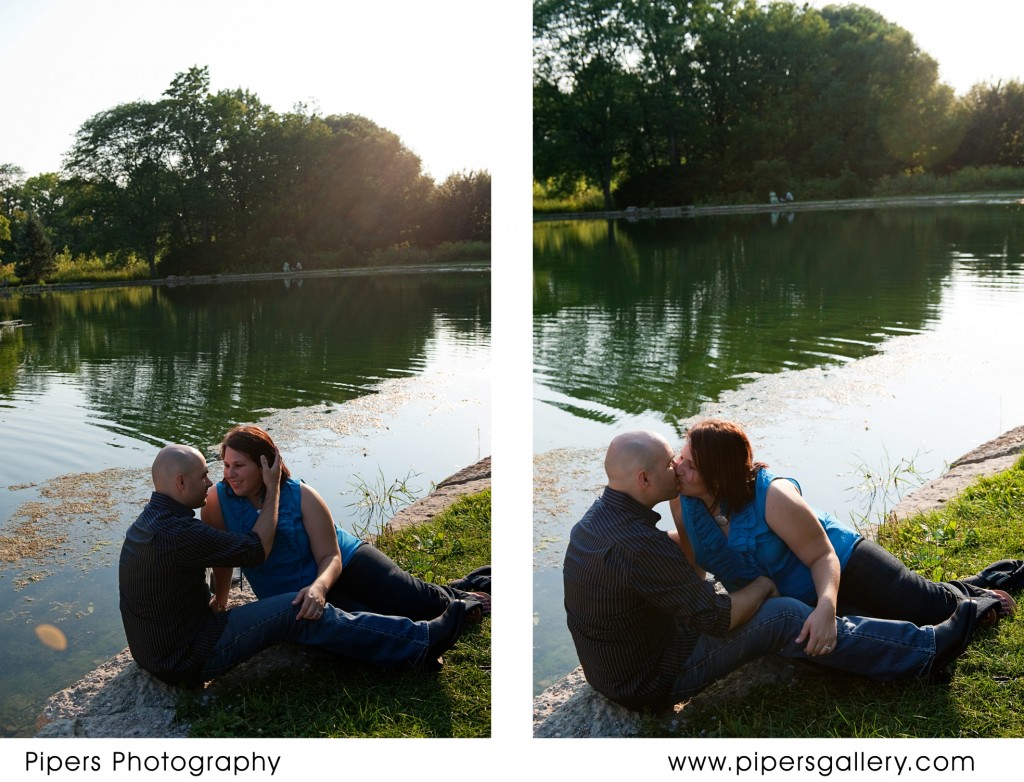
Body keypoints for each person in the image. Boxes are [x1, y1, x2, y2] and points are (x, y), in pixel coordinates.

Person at [563, 430, 989, 711]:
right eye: (669, 465)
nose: (676, 468)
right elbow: (716, 616)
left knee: (911, 600)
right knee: (783, 615)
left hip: (624, 666)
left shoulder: (598, 522)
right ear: (643, 479)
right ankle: (925, 653)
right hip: (651, 677)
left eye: (682, 461)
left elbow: (683, 577)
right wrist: (763, 586)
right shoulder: (640, 542)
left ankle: (950, 615)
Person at [118, 444, 475, 686]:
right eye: (202, 476)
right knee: (297, 610)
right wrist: (272, 488)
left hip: (164, 651)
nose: (211, 482)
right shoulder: (179, 532)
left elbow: (221, 558)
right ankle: (420, 642)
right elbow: (254, 549)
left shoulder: (151, 523)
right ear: (180, 483)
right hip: (189, 656)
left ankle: (415, 637)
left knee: (303, 606)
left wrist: (219, 601)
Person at [671, 418, 1016, 656]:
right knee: (896, 626)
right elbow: (693, 561)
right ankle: (972, 588)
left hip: (846, 563)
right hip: (797, 603)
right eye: (681, 456)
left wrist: (825, 609)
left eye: (689, 463)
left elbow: (822, 556)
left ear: (717, 475)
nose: (678, 466)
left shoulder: (774, 497)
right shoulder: (682, 498)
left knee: (930, 607)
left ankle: (989, 589)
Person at [201, 425, 490, 625]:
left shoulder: (301, 495)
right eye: (226, 465)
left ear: (266, 465)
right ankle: (457, 591)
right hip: (298, 592)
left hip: (345, 562)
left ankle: (466, 594)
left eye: (238, 466)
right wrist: (222, 599)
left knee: (419, 602)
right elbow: (222, 559)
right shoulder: (217, 500)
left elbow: (330, 555)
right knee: (385, 618)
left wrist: (319, 587)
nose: (230, 474)